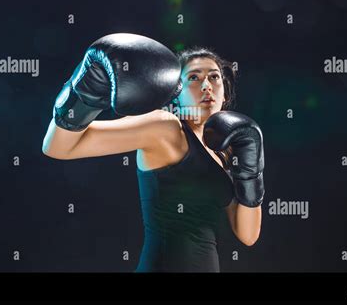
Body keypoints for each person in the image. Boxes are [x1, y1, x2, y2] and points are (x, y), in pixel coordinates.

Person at [42, 34, 265, 272]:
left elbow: (248, 234)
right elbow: (57, 147)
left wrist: (252, 173)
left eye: (214, 76)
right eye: (194, 77)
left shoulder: (223, 153)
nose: (206, 85)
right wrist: (84, 93)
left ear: (225, 91)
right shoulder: (165, 129)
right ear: (176, 94)